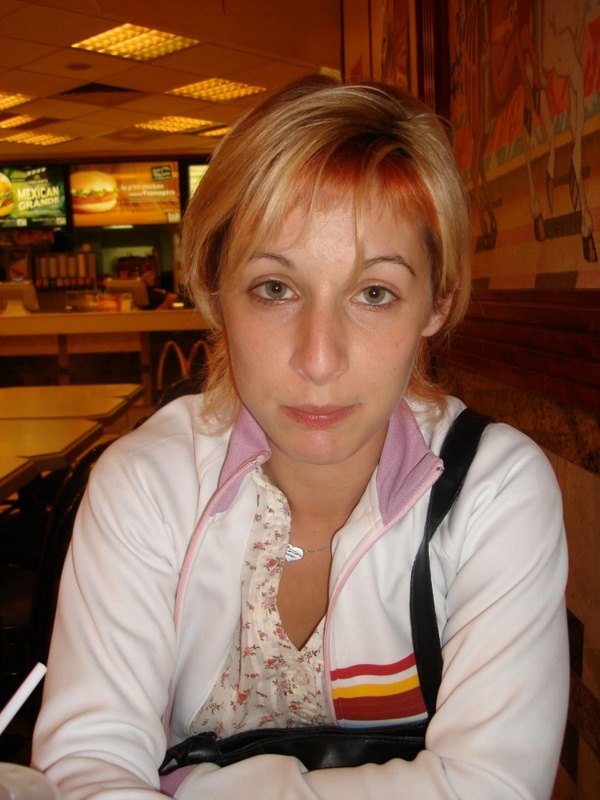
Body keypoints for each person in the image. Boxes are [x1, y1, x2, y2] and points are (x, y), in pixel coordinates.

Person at [32, 76, 569, 799]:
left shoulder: (492, 491)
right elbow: (86, 764)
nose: (319, 359)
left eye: (374, 293)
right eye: (275, 289)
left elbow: (493, 786)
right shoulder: (146, 485)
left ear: (436, 303)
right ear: (214, 288)